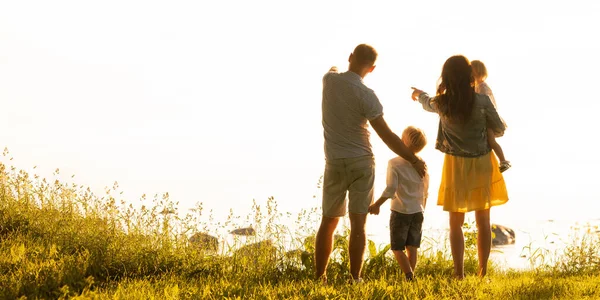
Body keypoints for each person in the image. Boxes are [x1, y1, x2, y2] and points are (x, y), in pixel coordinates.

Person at [317, 44, 427, 284]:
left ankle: (320, 276)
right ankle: (355, 278)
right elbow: (388, 136)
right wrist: (414, 158)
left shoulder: (329, 80)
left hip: (334, 161)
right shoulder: (368, 96)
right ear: (372, 68)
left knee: (329, 221)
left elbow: (332, 70)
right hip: (362, 163)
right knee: (358, 224)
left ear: (350, 57)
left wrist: (336, 68)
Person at [410, 55, 508, 279]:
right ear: (469, 75)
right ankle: (482, 274)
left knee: (456, 223)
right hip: (482, 162)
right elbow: (500, 128)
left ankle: (459, 273)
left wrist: (419, 94)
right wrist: (488, 130)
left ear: (446, 77)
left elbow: (427, 102)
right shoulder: (482, 101)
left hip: (455, 165)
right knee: (484, 222)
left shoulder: (442, 102)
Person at [368, 126, 429, 281]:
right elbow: (426, 190)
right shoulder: (422, 164)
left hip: (401, 212)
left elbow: (391, 188)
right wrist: (423, 207)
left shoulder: (394, 163)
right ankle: (411, 276)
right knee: (412, 246)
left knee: (397, 248)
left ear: (401, 142)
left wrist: (377, 205)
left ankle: (409, 275)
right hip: (418, 211)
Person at [471, 60, 511, 172]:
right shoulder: (477, 86)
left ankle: (503, 161)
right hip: (483, 119)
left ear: (478, 72)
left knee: (491, 141)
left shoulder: (483, 87)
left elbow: (485, 104)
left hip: (487, 120)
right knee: (488, 141)